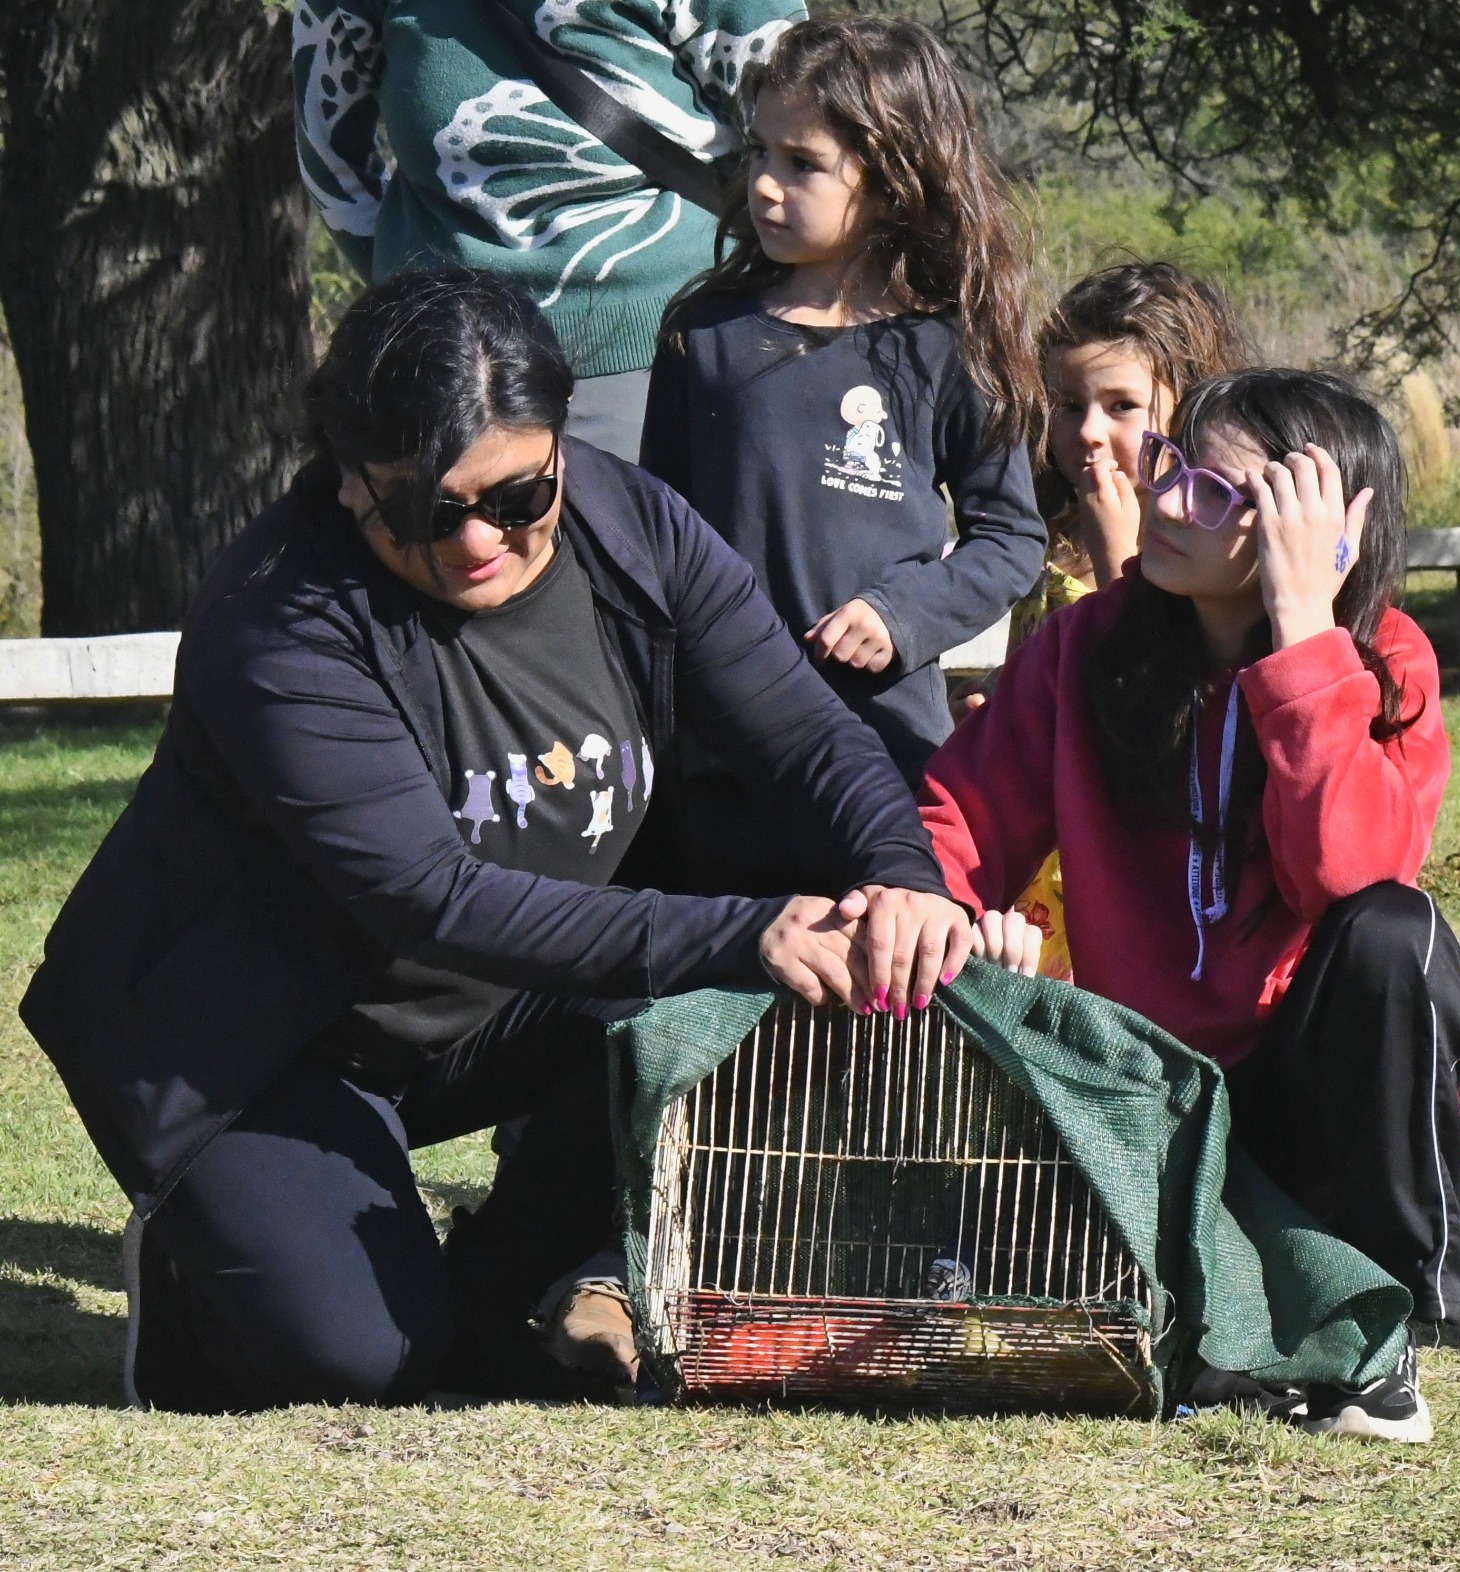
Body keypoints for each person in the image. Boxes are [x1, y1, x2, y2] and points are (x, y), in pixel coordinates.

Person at [18, 268, 973, 1413]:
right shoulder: (280, 623)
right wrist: (749, 932)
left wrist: (901, 878)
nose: (480, 540)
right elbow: (431, 896)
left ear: (561, 442)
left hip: (486, 1008)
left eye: (519, 495)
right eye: (428, 510)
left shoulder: (635, 526)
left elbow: (804, 734)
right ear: (348, 476)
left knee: (770, 974)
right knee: (354, 1359)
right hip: (258, 1043)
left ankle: (493, 1288)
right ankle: (199, 1275)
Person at [926, 368, 1460, 1443]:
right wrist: (938, 910)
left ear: (1316, 530)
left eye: (1219, 493)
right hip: (1148, 1089)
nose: (1168, 500)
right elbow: (958, 818)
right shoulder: (1087, 649)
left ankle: (1381, 1333)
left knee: (1393, 935)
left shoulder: (1387, 661)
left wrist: (1304, 636)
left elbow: (1348, 873)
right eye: (1172, 465)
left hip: (1314, 1097)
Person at [637, 16, 1048, 891]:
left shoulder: (944, 345)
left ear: (893, 182)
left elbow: (1011, 539)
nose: (764, 184)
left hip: (883, 757)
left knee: (878, 969)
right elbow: (652, 535)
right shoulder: (703, 333)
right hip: (719, 761)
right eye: (759, 152)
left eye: (803, 163)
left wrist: (900, 616)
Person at [291, 0, 805, 462]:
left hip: (676, 349)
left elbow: (803, 123)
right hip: (445, 369)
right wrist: (413, 299)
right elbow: (332, 161)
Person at [999, 262, 1256, 980]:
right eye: (1066, 404)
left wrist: (1120, 561)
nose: (1088, 431)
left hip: (1138, 854)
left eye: (1121, 406)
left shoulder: (1207, 552)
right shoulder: (1051, 538)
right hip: (1045, 853)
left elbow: (1160, 688)